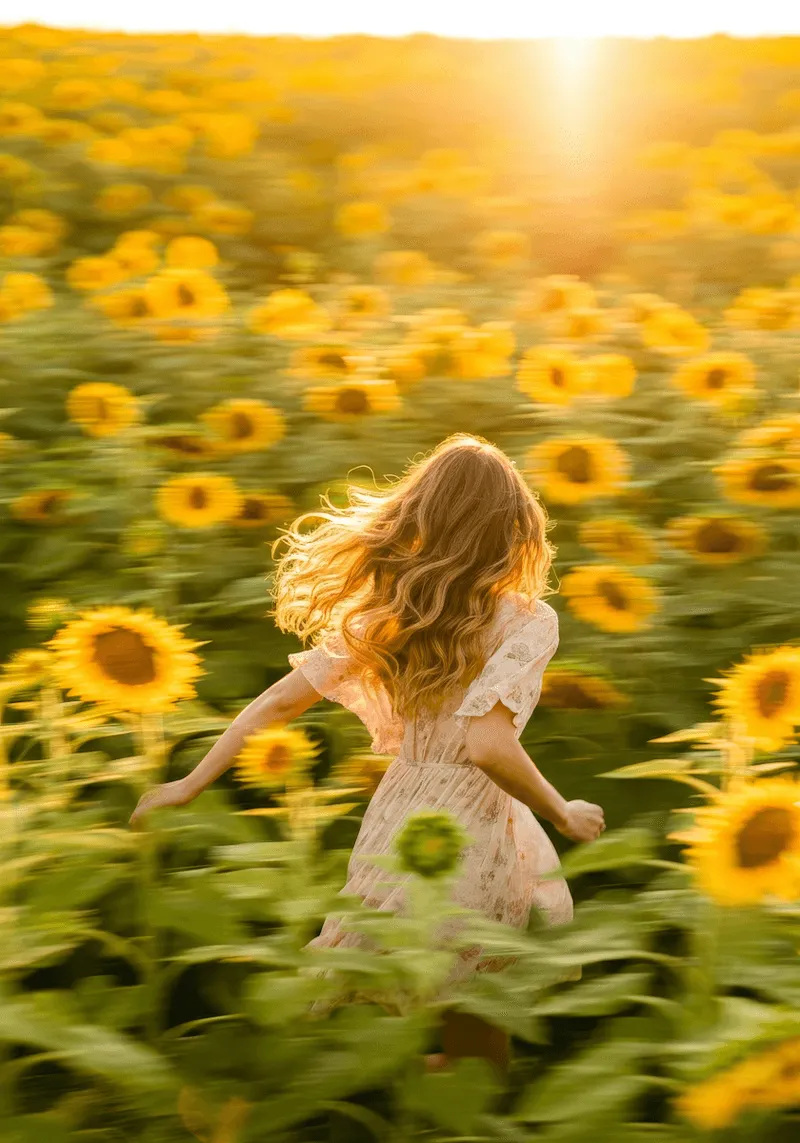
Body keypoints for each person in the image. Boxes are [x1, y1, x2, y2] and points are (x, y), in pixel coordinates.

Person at [130, 433, 605, 1077]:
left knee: (374, 989)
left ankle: (310, 1089)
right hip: (474, 826)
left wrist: (188, 782)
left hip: (401, 811)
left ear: (421, 519)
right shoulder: (526, 620)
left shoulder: (393, 613)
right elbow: (487, 744)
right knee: (475, 1016)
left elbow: (275, 706)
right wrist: (562, 810)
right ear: (516, 529)